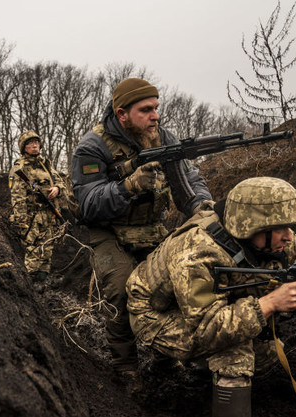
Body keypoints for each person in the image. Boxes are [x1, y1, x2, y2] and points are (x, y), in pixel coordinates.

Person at [126, 177, 296, 417]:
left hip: (209, 308)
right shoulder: (197, 251)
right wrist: (269, 303)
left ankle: (200, 377)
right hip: (155, 314)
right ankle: (176, 365)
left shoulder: (277, 240)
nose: (289, 236)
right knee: (234, 351)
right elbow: (205, 329)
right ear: (253, 226)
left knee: (268, 354)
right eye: (281, 227)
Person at [70, 78, 213, 377]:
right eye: (146, 110)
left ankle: (166, 358)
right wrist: (128, 186)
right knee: (122, 292)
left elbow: (191, 182)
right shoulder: (92, 147)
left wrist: (202, 206)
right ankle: (126, 370)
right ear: (122, 114)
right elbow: (88, 205)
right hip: (108, 232)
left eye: (157, 108)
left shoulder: (165, 138)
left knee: (175, 286)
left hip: (151, 228)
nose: (156, 116)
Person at [9, 131, 67, 285]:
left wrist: (57, 189)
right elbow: (17, 197)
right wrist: (22, 222)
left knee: (47, 252)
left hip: (50, 215)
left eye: (36, 142)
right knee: (34, 252)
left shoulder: (46, 164)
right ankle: (27, 287)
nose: (34, 146)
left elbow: (61, 183)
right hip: (33, 217)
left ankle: (41, 287)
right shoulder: (20, 168)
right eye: (29, 143)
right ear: (24, 148)